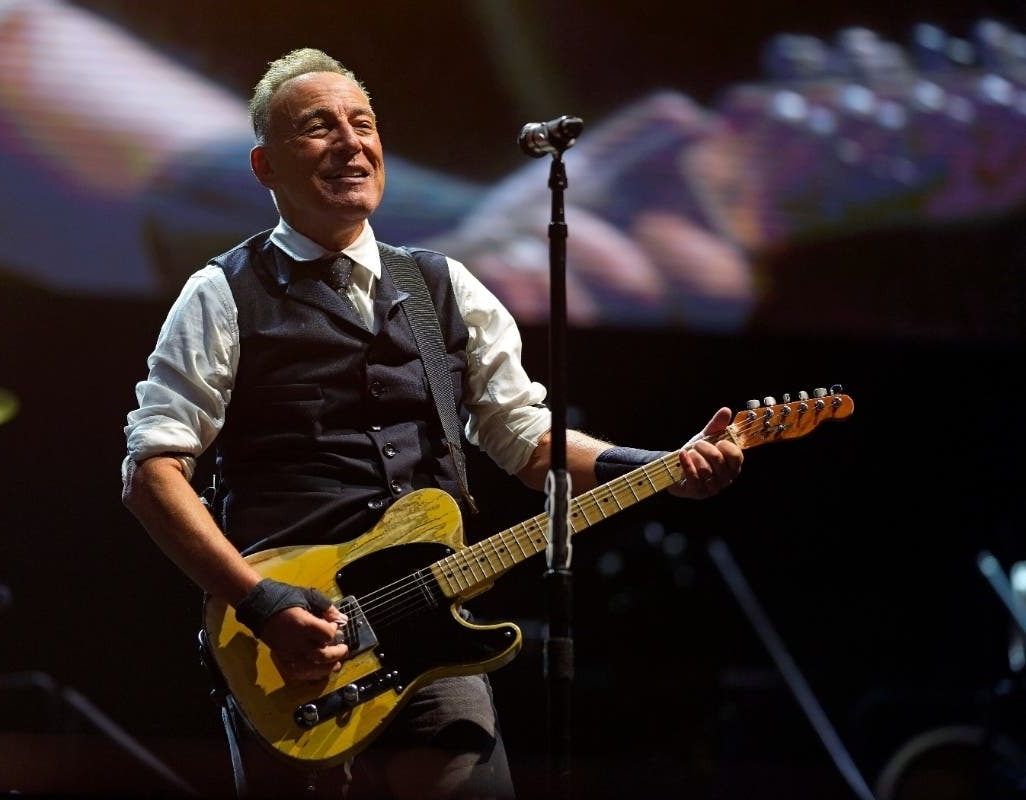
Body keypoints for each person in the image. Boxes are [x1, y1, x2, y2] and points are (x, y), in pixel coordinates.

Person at [121, 47, 744, 800]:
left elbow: (527, 441)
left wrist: (663, 466)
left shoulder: (443, 286)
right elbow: (152, 474)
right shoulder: (221, 292)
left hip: (433, 641)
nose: (351, 144)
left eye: (363, 124)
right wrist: (261, 603)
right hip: (293, 647)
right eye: (319, 127)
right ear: (265, 166)